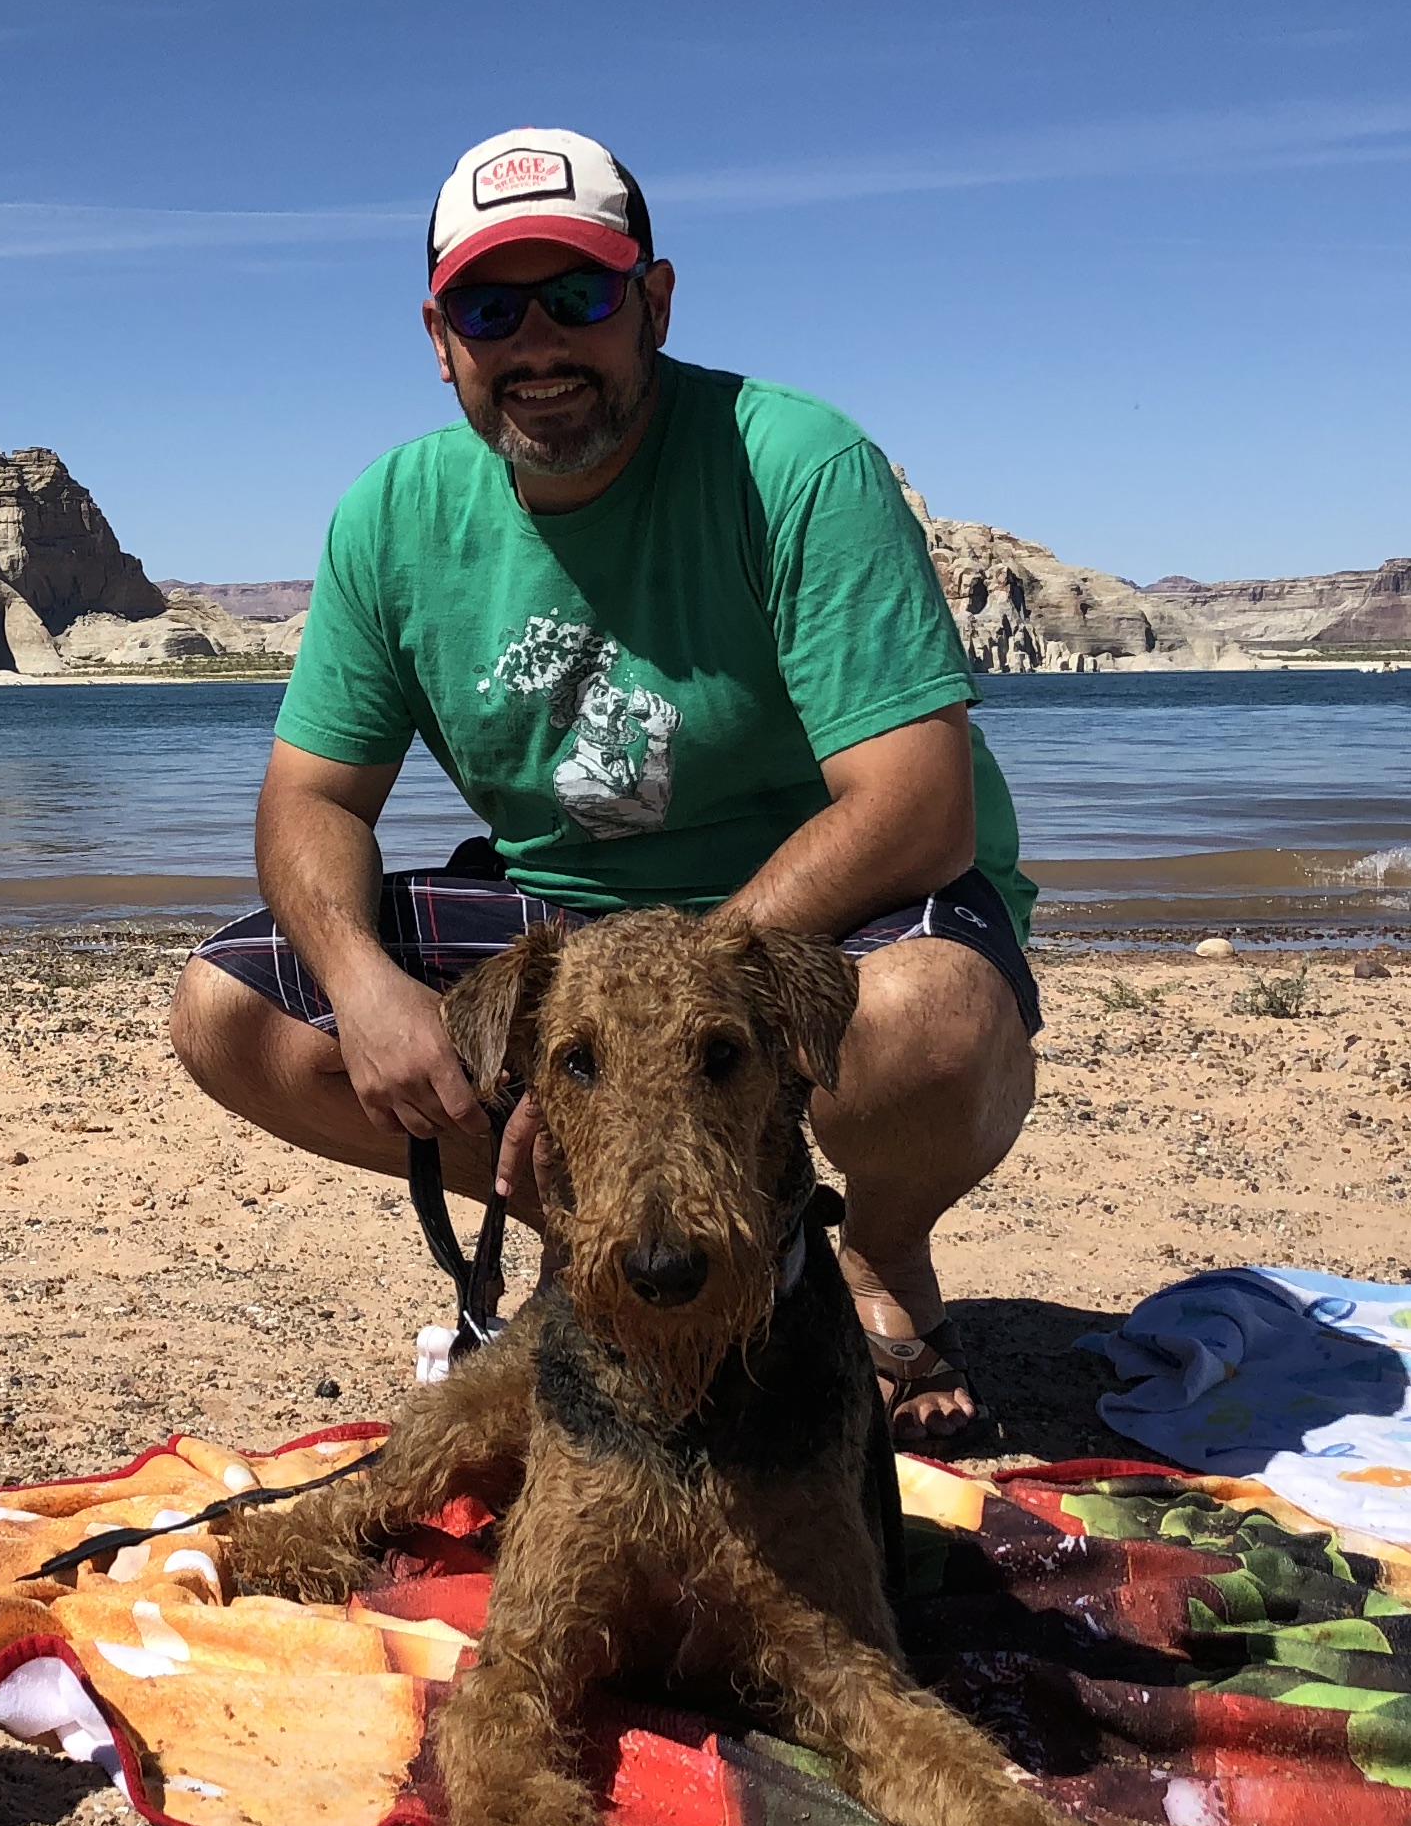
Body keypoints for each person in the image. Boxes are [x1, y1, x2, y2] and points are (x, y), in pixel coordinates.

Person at [167, 127, 1039, 1443]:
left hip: (821, 915)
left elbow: (918, 805)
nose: (538, 344)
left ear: (656, 301)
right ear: (440, 336)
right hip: (567, 916)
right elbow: (313, 802)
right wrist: (364, 986)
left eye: (578, 296)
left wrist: (668, 1009)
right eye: (490, 309)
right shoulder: (392, 516)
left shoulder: (796, 467)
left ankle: (879, 1255)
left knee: (928, 1026)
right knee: (235, 1013)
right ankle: (614, 1246)